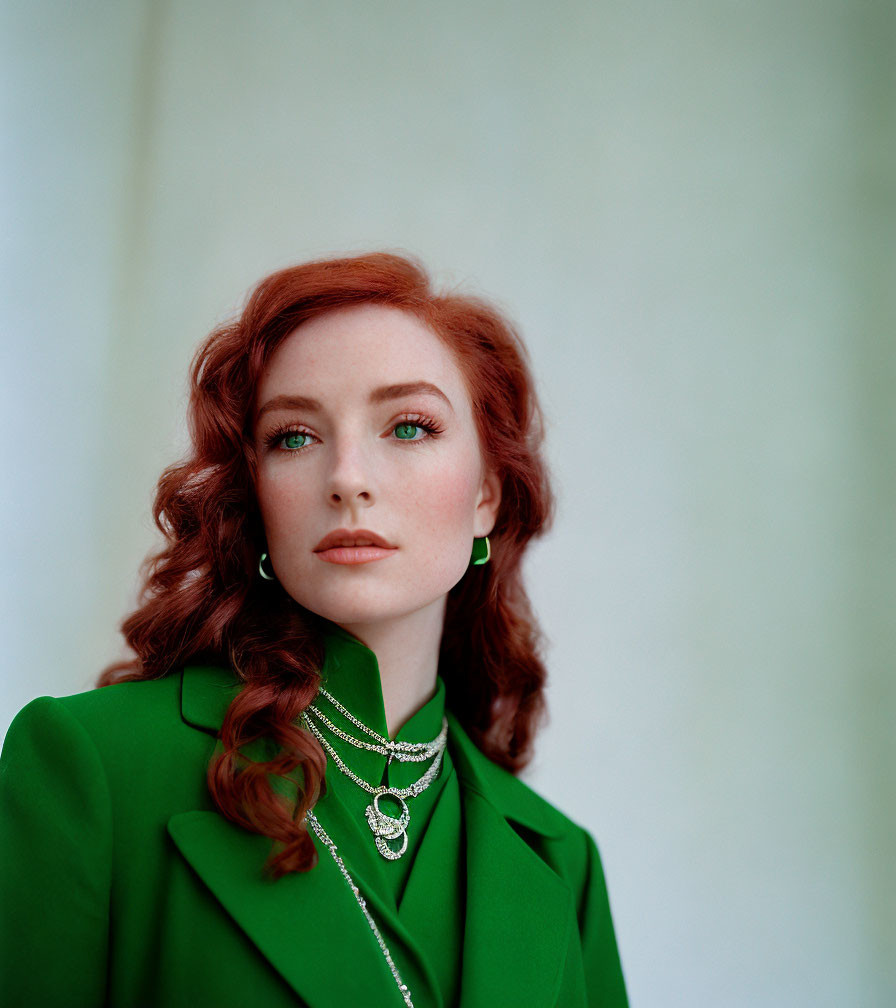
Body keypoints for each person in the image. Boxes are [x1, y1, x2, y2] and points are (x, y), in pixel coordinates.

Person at [0, 251, 628, 1008]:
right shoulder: (92, 767)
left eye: (408, 425)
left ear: (487, 496)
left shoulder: (562, 862)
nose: (347, 476)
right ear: (256, 494)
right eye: (294, 436)